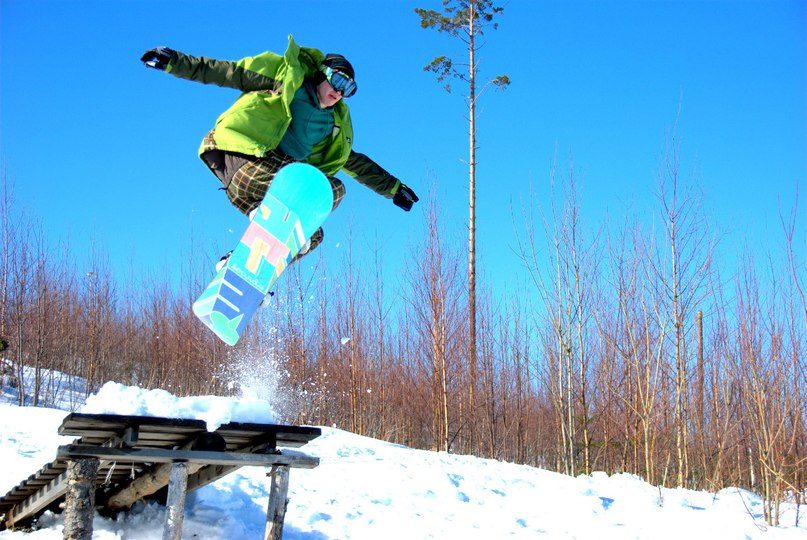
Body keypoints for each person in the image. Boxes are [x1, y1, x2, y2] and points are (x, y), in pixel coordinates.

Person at [140, 35, 418, 263]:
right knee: (320, 191)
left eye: (349, 90)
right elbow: (228, 72)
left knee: (313, 232)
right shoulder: (286, 79)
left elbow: (353, 162)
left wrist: (393, 188)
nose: (340, 93)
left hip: (266, 188)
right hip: (241, 160)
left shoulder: (330, 125)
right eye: (339, 82)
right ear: (323, 74)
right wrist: (173, 61)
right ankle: (269, 223)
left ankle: (242, 265)